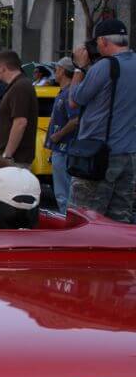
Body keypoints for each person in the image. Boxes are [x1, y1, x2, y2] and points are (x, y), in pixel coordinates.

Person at [68, 18, 136, 223]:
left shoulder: (104, 67)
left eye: (96, 42)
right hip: (130, 154)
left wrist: (80, 68)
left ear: (104, 42)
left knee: (85, 219)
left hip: (99, 155)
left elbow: (74, 100)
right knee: (120, 219)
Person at [0, 50, 38, 167]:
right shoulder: (17, 85)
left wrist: (7, 156)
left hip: (15, 160)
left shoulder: (20, 86)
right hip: (9, 158)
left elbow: (20, 122)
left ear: (2, 68)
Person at [45, 57, 80, 213]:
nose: (55, 72)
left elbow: (75, 120)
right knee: (63, 192)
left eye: (57, 69)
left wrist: (57, 136)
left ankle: (66, 223)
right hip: (60, 148)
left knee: (63, 194)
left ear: (64, 71)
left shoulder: (68, 94)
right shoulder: (63, 92)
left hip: (64, 149)